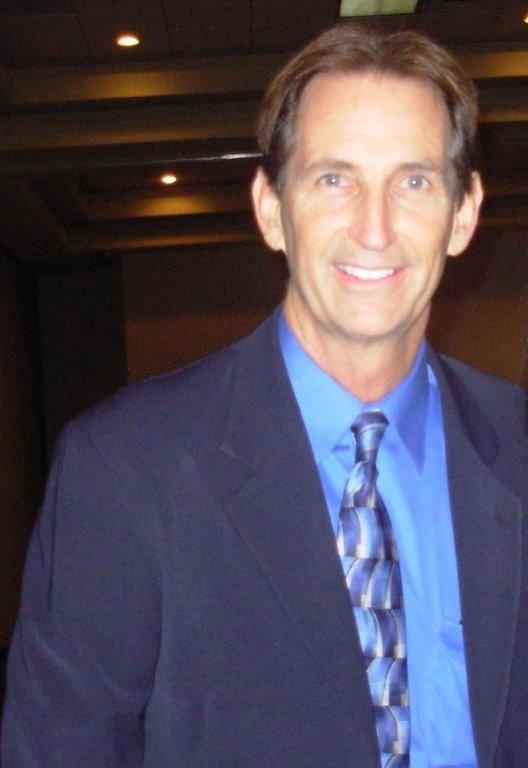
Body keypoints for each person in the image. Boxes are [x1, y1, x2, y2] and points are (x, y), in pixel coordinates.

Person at [2, 23, 527, 768]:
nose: (374, 228)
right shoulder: (124, 470)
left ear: (463, 213)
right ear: (272, 207)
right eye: (334, 179)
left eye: (413, 181)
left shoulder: (518, 445)